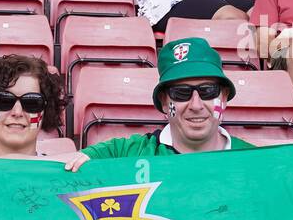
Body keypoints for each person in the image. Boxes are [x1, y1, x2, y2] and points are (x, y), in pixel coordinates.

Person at [66, 38, 255, 165]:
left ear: (223, 96)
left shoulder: (255, 161)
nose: (196, 105)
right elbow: (53, 172)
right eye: (181, 93)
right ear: (164, 102)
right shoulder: (126, 154)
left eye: (207, 91)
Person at [0, 55, 65, 159]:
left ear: (46, 111)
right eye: (4, 100)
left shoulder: (62, 173)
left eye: (32, 102)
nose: (17, 112)